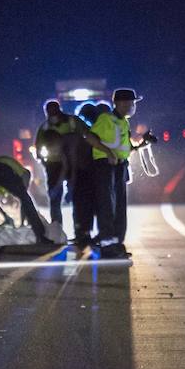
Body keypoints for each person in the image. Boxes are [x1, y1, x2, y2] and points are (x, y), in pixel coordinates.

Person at [84, 89, 155, 259]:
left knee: (119, 207)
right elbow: (90, 137)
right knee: (107, 206)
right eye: (131, 103)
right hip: (104, 167)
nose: (133, 106)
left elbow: (125, 149)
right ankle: (108, 246)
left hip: (119, 167)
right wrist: (108, 153)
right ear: (121, 103)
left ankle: (117, 243)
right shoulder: (106, 119)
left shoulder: (123, 122)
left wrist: (143, 144)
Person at [0, 155, 56, 244]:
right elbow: (24, 199)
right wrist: (23, 218)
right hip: (4, 169)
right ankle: (41, 236)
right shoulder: (25, 174)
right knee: (26, 200)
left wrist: (4, 215)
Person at [33, 99, 82, 226]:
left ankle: (80, 229)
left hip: (74, 163)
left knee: (77, 197)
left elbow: (85, 136)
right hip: (53, 164)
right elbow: (38, 148)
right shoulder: (44, 127)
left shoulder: (72, 122)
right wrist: (45, 163)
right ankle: (57, 227)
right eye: (49, 112)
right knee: (55, 198)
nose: (51, 114)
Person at [71, 102, 101, 249]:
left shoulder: (78, 131)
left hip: (81, 173)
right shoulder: (94, 130)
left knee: (81, 206)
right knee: (90, 205)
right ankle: (86, 234)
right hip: (91, 172)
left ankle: (82, 234)